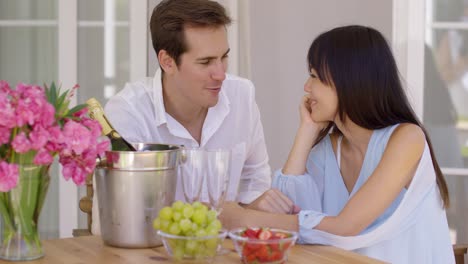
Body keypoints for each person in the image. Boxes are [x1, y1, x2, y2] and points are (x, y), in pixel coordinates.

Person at [219, 25, 454, 263]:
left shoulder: (407, 139)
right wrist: (306, 131)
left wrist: (244, 218)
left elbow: (346, 226)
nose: (306, 87)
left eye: (314, 76)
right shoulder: (330, 149)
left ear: (350, 81)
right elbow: (286, 213)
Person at [102, 0, 295, 217]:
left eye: (224, 57)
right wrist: (232, 217)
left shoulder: (241, 95)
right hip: (151, 250)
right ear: (167, 62)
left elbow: (255, 185)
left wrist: (248, 211)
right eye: (205, 62)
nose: (220, 74)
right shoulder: (129, 112)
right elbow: (127, 215)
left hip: (227, 248)